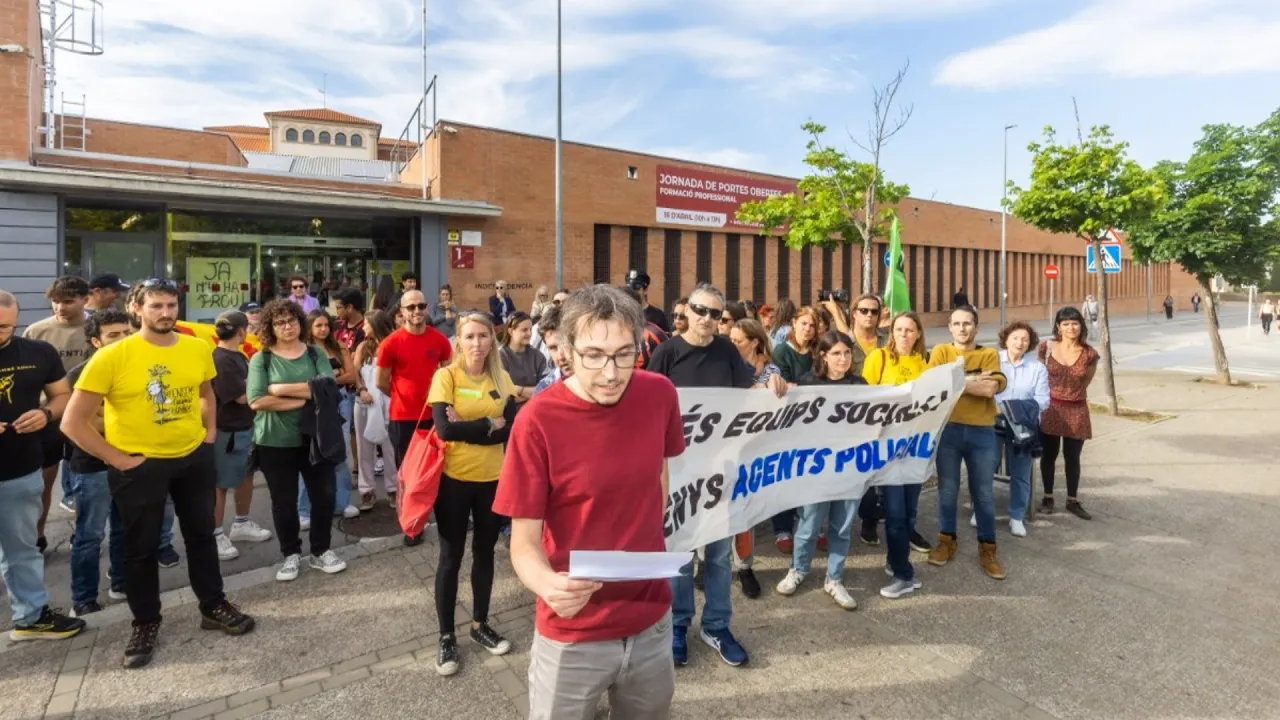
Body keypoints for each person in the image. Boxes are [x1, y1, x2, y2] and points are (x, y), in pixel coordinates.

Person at [496, 284, 684, 719]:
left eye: (624, 354)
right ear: (564, 349)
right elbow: (523, 543)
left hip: (651, 619)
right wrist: (547, 585)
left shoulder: (659, 395)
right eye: (594, 355)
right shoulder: (537, 421)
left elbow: (660, 477)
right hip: (573, 632)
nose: (612, 372)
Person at [62, 278, 254, 668]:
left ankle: (212, 605)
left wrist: (209, 434)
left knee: (202, 535)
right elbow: (72, 422)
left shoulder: (197, 348)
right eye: (156, 306)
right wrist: (115, 458)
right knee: (140, 549)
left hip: (193, 458)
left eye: (170, 305)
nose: (165, 313)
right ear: (137, 310)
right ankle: (146, 621)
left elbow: (205, 394)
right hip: (139, 466)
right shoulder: (113, 356)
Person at [647, 283, 786, 669]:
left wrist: (771, 384)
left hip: (721, 471)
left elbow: (747, 391)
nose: (707, 319)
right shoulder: (667, 352)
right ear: (686, 312)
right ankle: (677, 625)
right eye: (700, 310)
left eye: (715, 313)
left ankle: (717, 626)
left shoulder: (726, 350)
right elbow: (644, 403)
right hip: (677, 473)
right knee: (679, 554)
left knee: (721, 555)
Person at [427, 312, 518, 676]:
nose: (477, 343)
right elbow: (445, 430)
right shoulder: (446, 376)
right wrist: (485, 424)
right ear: (459, 341)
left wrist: (475, 426)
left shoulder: (502, 377)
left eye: (483, 336)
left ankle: (480, 625)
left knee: (485, 553)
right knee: (451, 557)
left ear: (491, 341)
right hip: (453, 480)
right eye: (470, 337)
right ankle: (446, 636)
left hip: (493, 480)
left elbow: (510, 429)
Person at [0, 290, 85, 641]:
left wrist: (46, 413)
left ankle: (31, 618)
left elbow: (63, 396)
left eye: (4, 326)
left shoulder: (37, 352)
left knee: (22, 550)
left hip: (19, 468)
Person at [247, 300, 348, 582]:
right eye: (279, 322)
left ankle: (321, 550)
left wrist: (278, 389)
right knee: (284, 501)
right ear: (270, 327)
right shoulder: (262, 358)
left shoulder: (315, 353)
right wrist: (306, 397)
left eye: (291, 320)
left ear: (300, 323)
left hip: (316, 438)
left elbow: (327, 390)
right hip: (275, 441)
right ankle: (291, 554)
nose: (287, 326)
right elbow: (257, 400)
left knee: (324, 498)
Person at [776, 330, 866, 610]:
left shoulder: (861, 385)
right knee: (809, 522)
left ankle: (834, 578)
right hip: (815, 469)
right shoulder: (807, 383)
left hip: (850, 467)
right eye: (837, 353)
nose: (843, 358)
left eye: (847, 353)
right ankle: (799, 569)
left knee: (841, 526)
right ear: (823, 356)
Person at [925, 306, 1008, 581]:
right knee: (947, 490)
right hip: (948, 430)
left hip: (982, 432)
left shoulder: (988, 354)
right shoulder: (940, 352)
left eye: (967, 323)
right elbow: (932, 386)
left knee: (983, 493)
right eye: (957, 323)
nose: (962, 328)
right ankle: (947, 541)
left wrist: (954, 380)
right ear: (949, 327)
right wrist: (972, 380)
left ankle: (987, 549)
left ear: (976, 327)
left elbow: (989, 389)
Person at [65, 310, 133, 616]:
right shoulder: (79, 375)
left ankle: (120, 581)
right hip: (92, 467)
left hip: (130, 462)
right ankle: (83, 598)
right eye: (113, 335)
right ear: (95, 340)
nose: (122, 339)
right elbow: (88, 423)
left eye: (126, 332)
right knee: (90, 535)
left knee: (124, 528)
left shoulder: (136, 368)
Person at [863, 312, 934, 600]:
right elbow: (863, 398)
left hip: (915, 448)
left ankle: (895, 562)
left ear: (918, 334)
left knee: (908, 511)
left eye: (910, 330)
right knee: (894, 513)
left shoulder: (924, 363)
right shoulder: (878, 358)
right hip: (888, 448)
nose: (904, 334)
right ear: (892, 332)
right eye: (899, 329)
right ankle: (905, 575)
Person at [375, 289, 453, 546]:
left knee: (441, 469)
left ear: (427, 307)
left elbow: (448, 376)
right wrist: (404, 398)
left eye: (421, 306)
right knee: (409, 473)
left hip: (436, 416)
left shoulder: (440, 340)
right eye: (411, 307)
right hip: (403, 419)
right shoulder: (391, 343)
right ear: (402, 311)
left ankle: (445, 520)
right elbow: (381, 382)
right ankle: (412, 526)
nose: (417, 311)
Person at [24, 276, 92, 536]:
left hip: (87, 416)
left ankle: (83, 535)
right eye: (55, 302)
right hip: (47, 416)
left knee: (85, 484)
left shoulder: (96, 328)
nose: (60, 307)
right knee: (42, 482)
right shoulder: (37, 331)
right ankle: (38, 535)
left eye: (67, 301)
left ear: (85, 300)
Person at [209, 310, 273, 563]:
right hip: (228, 430)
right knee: (221, 483)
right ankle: (215, 534)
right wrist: (272, 387)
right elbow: (242, 396)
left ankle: (241, 523)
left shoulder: (238, 355)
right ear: (240, 331)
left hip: (245, 426)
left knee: (245, 476)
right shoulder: (221, 359)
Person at [725, 318, 782, 600]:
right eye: (731, 340)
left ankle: (744, 567)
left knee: (745, 511)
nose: (733, 345)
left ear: (755, 342)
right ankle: (705, 564)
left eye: (739, 340)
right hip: (723, 448)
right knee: (714, 508)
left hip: (754, 450)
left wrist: (776, 386)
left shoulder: (772, 371)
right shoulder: (724, 366)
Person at [1038, 307, 1100, 520]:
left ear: (1081, 325)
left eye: (1074, 323)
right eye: (1065, 324)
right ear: (1058, 326)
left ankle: (1072, 500)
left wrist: (1070, 393)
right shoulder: (1046, 348)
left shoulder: (1090, 353)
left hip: (1077, 409)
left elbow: (1086, 381)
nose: (1070, 327)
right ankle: (1048, 497)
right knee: (1049, 455)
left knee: (1072, 457)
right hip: (1051, 408)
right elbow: (1038, 377)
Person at [298, 309, 360, 522]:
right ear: (309, 327)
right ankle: (304, 509)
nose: (323, 329)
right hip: (312, 404)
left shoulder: (338, 346)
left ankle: (342, 503)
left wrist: (327, 379)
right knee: (310, 455)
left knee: (339, 453)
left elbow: (351, 375)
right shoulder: (303, 350)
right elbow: (306, 380)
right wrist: (333, 376)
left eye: (326, 325)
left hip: (339, 401)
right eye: (318, 325)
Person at [994, 321, 1050, 538]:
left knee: (1021, 473)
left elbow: (1043, 401)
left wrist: (1015, 409)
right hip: (994, 422)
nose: (1020, 342)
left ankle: (1017, 516)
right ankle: (981, 511)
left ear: (1030, 344)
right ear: (1006, 339)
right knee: (984, 466)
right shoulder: (993, 361)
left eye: (1025, 339)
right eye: (1015, 338)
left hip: (1022, 427)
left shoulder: (1037, 368)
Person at [848, 294, 888, 546]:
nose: (869, 315)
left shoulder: (889, 340)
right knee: (858, 470)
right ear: (854, 313)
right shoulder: (843, 341)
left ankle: (870, 520)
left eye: (874, 311)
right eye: (864, 310)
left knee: (878, 469)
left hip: (884, 415)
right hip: (851, 416)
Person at [353, 310, 399, 510]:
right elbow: (355, 373)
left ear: (376, 324)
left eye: (366, 323)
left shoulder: (394, 344)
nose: (363, 327)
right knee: (364, 449)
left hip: (389, 403)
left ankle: (393, 489)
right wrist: (362, 390)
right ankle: (367, 491)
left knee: (390, 449)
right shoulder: (363, 347)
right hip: (365, 403)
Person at [500, 312, 548, 407]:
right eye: (524, 330)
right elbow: (502, 395)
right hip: (509, 414)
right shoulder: (500, 356)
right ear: (511, 331)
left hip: (537, 408)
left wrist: (518, 389)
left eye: (530, 329)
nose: (529, 333)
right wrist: (533, 392)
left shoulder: (538, 356)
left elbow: (547, 390)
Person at [532, 306, 572, 396]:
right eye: (553, 348)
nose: (561, 356)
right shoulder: (544, 389)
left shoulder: (602, 384)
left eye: (566, 345)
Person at [626, 269, 672, 334]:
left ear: (645, 290)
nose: (632, 293)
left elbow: (665, 340)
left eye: (636, 289)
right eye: (630, 289)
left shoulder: (658, 315)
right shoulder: (622, 313)